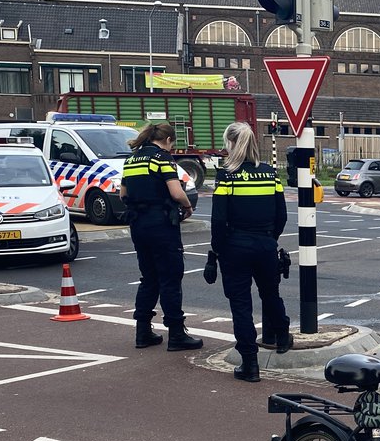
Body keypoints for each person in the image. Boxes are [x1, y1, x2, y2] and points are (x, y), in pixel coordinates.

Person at [211, 121, 291, 383]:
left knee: (241, 305)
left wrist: (219, 251)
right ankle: (282, 336)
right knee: (271, 293)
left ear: (231, 144)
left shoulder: (226, 175)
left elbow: (218, 219)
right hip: (265, 243)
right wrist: (270, 239)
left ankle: (250, 363)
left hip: (235, 246)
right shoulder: (270, 174)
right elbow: (282, 215)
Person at [120, 122, 202, 352]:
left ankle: (143, 332)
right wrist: (187, 206)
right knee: (170, 277)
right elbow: (176, 192)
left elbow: (123, 193)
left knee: (149, 277)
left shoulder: (131, 160)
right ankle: (176, 334)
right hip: (161, 224)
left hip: (138, 225)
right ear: (167, 140)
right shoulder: (162, 158)